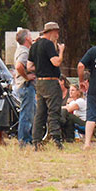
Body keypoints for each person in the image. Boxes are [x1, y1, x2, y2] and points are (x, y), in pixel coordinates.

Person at [27, 21, 65, 150]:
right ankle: (56, 140)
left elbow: (29, 66)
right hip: (51, 82)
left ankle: (36, 141)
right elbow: (56, 62)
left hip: (40, 83)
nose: (58, 35)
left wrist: (40, 68)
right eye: (57, 32)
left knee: (40, 113)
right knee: (54, 111)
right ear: (52, 32)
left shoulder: (34, 45)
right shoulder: (48, 44)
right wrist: (61, 51)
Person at [13, 29, 36, 147]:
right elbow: (18, 66)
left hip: (24, 86)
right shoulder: (25, 52)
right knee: (27, 113)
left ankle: (29, 138)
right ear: (27, 38)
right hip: (26, 86)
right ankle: (24, 141)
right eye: (30, 36)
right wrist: (26, 77)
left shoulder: (21, 50)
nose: (32, 38)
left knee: (31, 111)